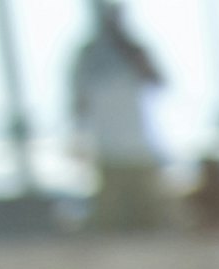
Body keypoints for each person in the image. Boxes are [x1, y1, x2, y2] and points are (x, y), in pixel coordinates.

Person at [71, 3, 172, 230]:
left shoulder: (135, 51)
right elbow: (78, 105)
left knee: (151, 222)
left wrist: (127, 49)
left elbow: (158, 81)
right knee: (111, 224)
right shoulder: (87, 57)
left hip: (140, 151)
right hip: (108, 154)